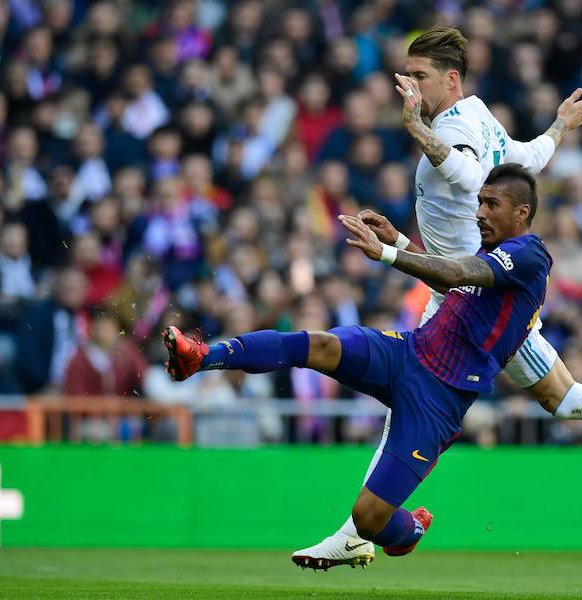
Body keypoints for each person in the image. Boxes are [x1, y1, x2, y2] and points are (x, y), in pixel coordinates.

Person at [292, 25, 582, 570]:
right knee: (562, 398)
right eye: (408, 74)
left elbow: (473, 176)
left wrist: (418, 130)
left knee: (556, 400)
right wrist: (560, 127)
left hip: (477, 298)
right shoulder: (479, 113)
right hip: (459, 291)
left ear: (450, 78)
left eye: (420, 76)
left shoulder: (453, 126)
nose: (410, 85)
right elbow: (525, 162)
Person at [164, 164, 552, 562]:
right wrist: (399, 239)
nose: (480, 212)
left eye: (492, 204)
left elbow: (455, 273)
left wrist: (386, 253)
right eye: (480, 202)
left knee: (367, 520)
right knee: (320, 344)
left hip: (440, 399)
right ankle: (202, 356)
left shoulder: (530, 256)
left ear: (522, 212)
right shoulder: (497, 254)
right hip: (408, 352)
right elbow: (454, 286)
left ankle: (409, 528)